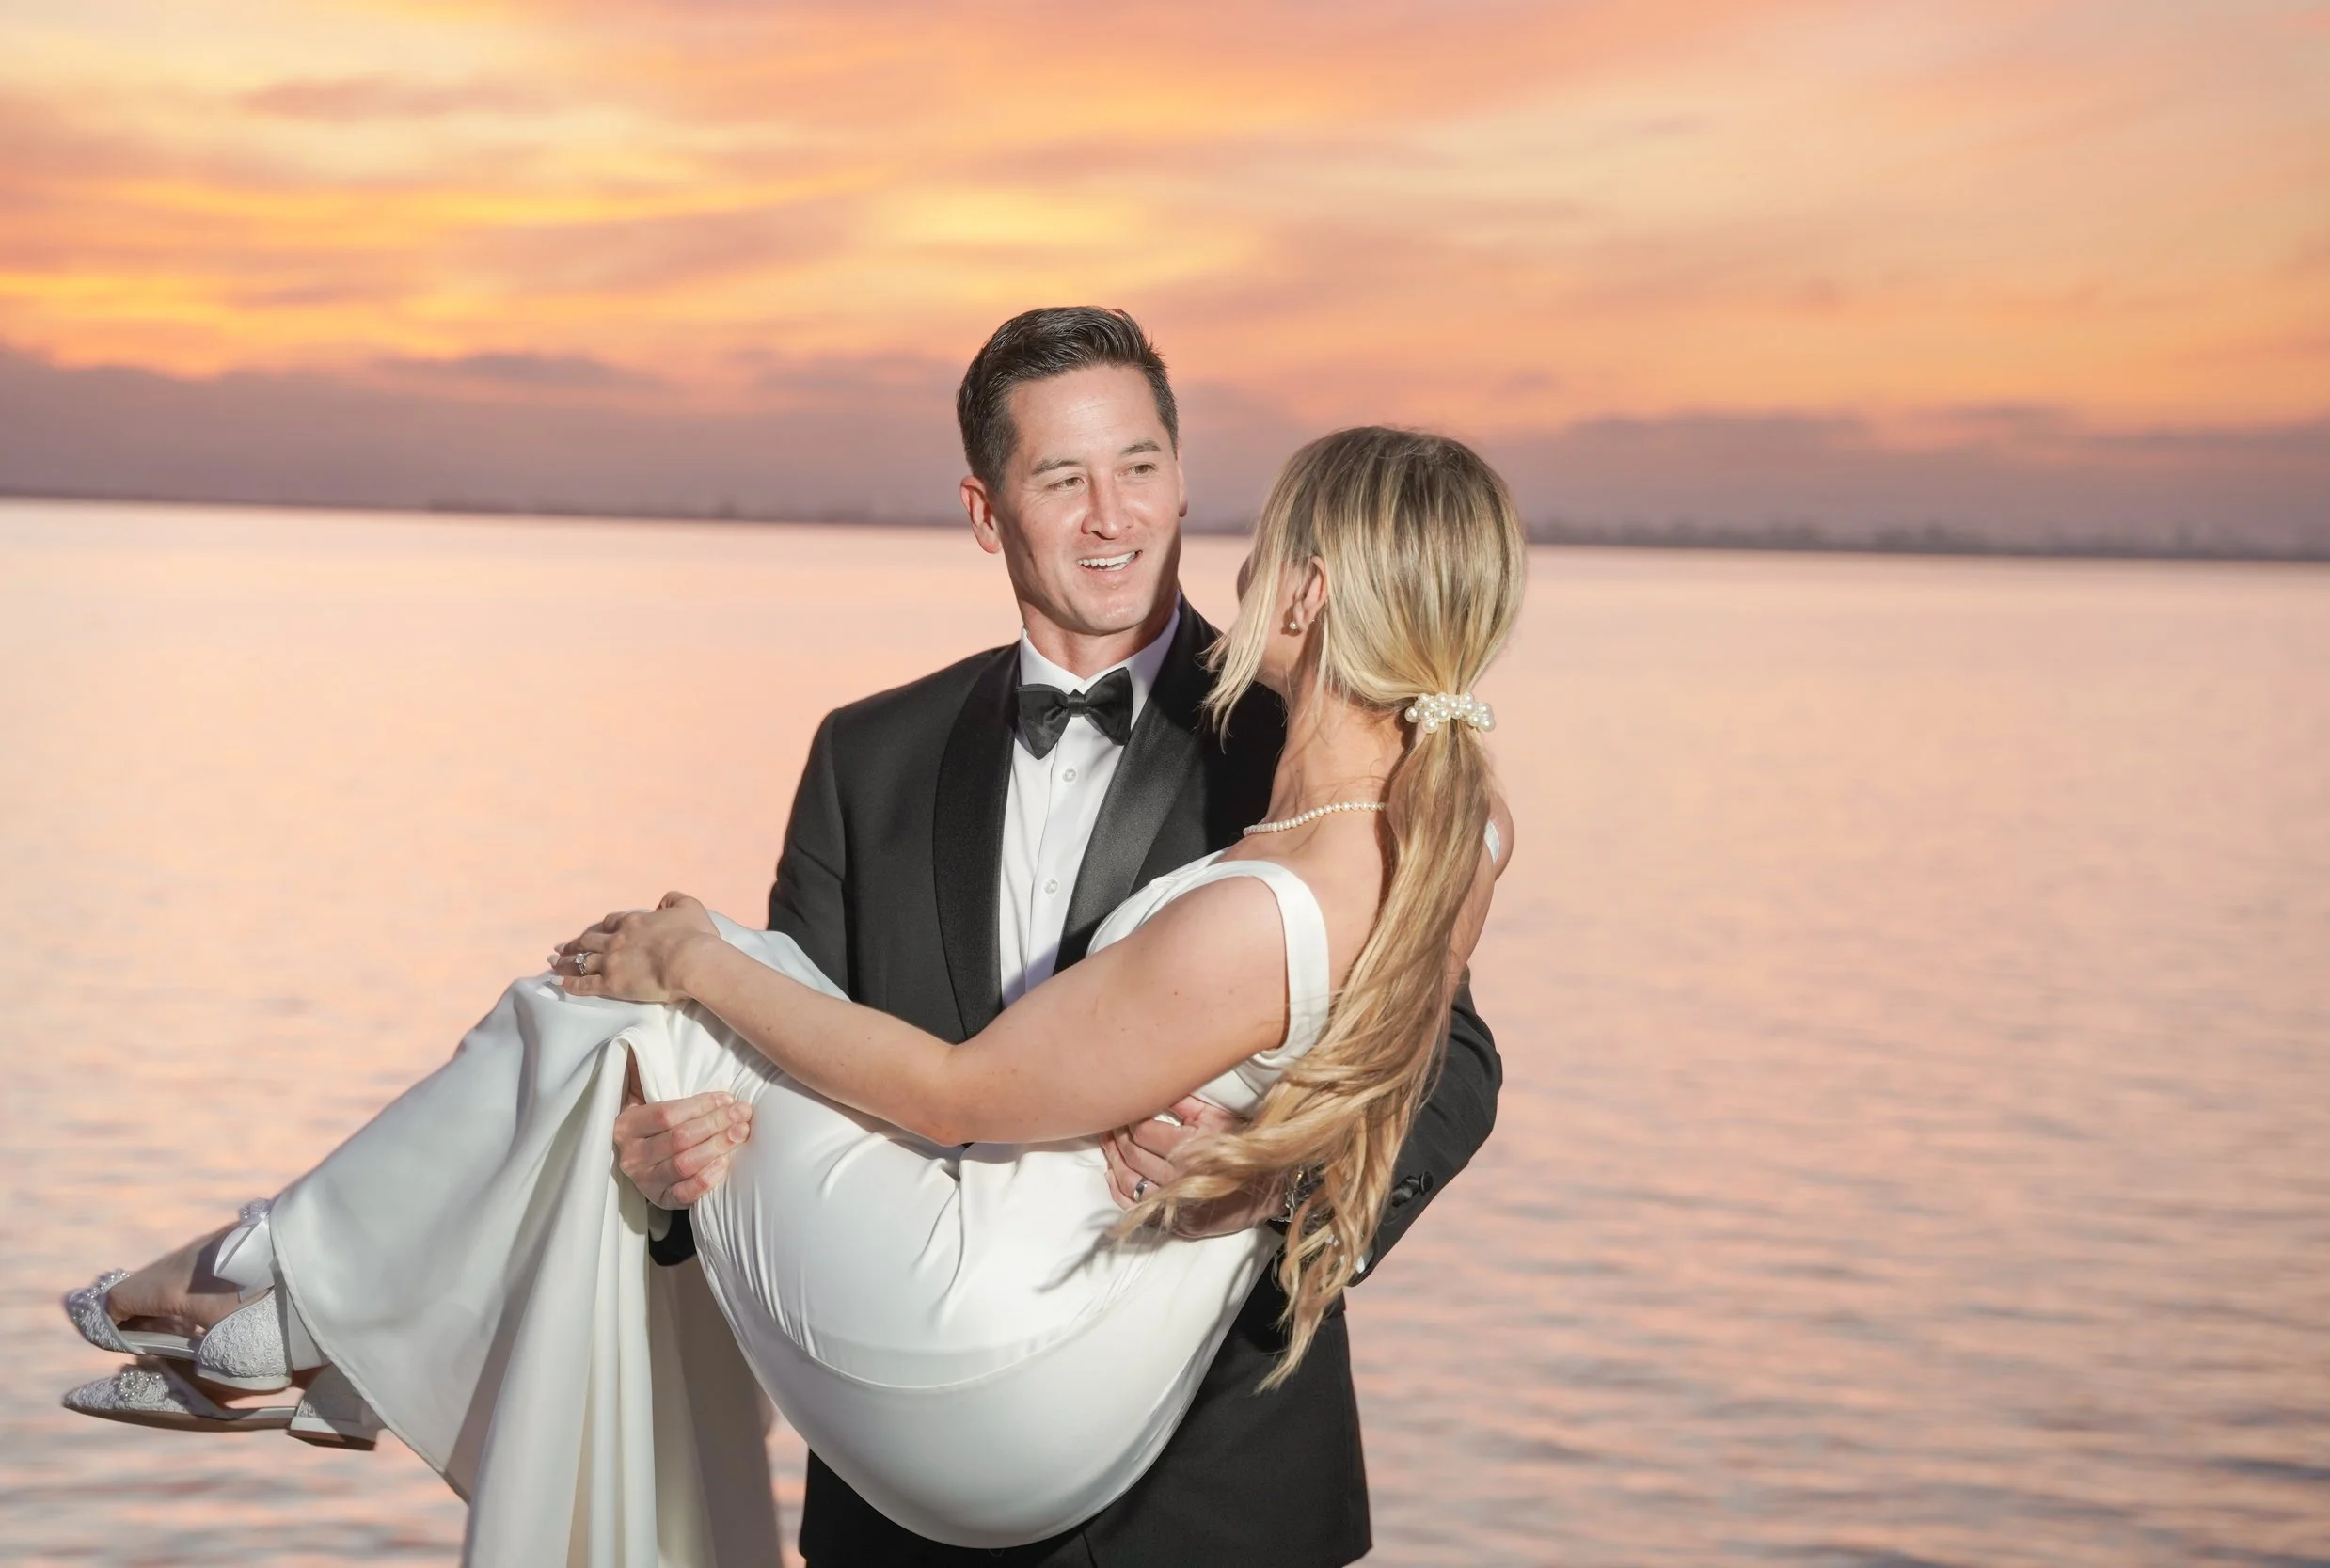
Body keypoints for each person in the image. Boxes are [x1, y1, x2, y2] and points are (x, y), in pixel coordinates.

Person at [58, 313, 1517, 1568]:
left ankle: (292, 1294)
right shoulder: (866, 756)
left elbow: (1445, 1057)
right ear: (985, 509)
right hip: (906, 1473)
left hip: (1209, 1491)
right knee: (651, 1037)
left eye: (1139, 467)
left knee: (657, 983)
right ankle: (309, 1303)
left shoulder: (1321, 733)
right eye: (1062, 477)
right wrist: (657, 1163)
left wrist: (1273, 1186)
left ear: (1187, 480)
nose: (1111, 515)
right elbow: (777, 1068)